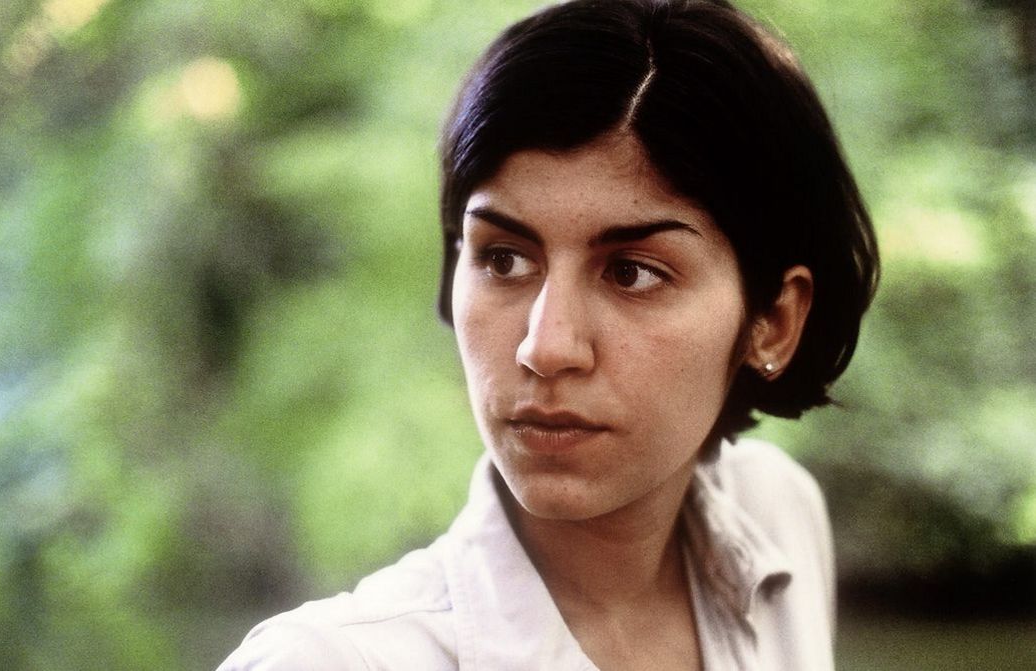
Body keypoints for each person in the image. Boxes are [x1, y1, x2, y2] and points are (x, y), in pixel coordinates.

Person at [218, 0, 879, 668]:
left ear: (774, 323)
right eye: (503, 259)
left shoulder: (776, 519)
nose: (546, 345)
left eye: (632, 272)